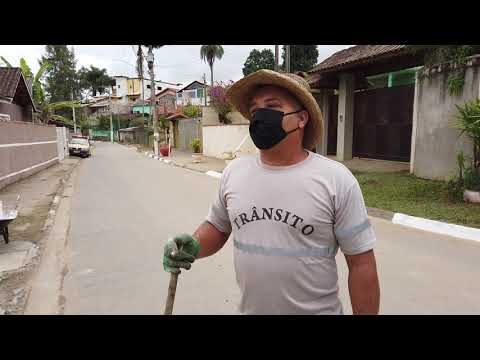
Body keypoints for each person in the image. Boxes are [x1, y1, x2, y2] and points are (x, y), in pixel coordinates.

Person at [163, 69, 380, 315]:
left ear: (301, 118)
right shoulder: (235, 172)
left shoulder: (336, 180)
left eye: (273, 106)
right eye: (255, 110)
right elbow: (219, 226)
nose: (260, 115)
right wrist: (192, 246)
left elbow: (361, 264)